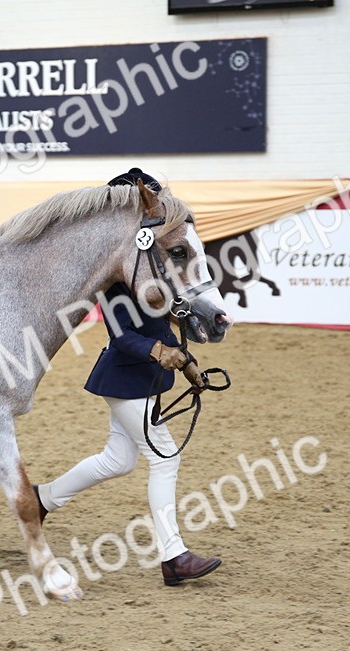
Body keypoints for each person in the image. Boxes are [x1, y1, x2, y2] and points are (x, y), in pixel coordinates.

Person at [33, 170, 223, 587]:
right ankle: (174, 556)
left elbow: (158, 328)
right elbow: (122, 336)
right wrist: (161, 353)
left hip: (143, 382)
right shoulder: (115, 277)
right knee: (165, 457)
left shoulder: (149, 271)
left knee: (116, 461)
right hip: (123, 380)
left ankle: (42, 498)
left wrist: (185, 358)